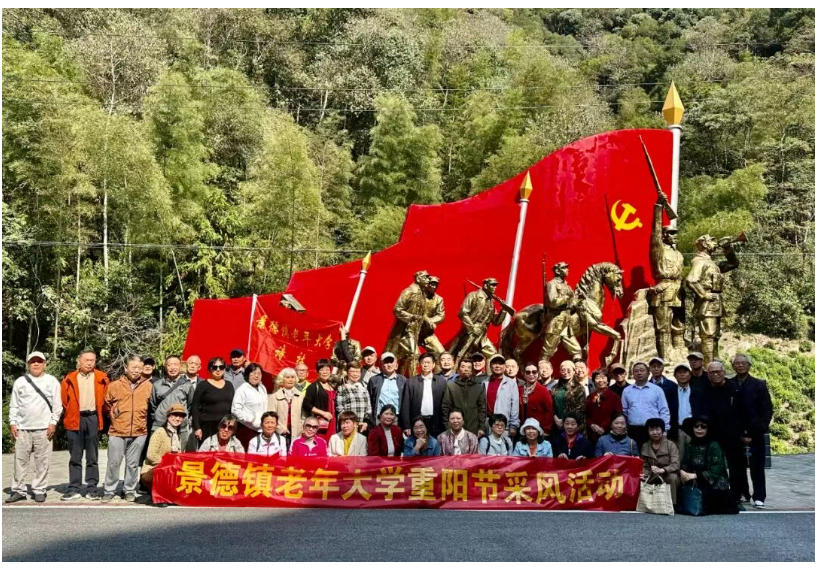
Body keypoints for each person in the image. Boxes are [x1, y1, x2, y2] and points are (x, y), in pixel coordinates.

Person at [6, 351, 63, 504]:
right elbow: (14, 405)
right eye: (33, 361)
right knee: (20, 461)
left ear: (45, 364)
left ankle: (39, 489)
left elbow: (58, 406)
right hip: (22, 429)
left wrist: (53, 423)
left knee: (42, 462)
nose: (36, 364)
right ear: (28, 364)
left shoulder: (52, 381)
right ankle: (18, 490)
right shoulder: (20, 382)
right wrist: (13, 423)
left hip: (44, 429)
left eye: (39, 361)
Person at [59, 348, 108, 501]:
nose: (89, 363)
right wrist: (72, 412)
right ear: (79, 361)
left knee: (92, 456)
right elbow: (63, 400)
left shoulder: (102, 377)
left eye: (92, 360)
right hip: (75, 418)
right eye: (86, 360)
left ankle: (92, 487)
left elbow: (107, 400)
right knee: (75, 456)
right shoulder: (70, 378)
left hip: (93, 417)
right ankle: (74, 487)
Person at [102, 355, 153, 502]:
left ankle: (129, 489)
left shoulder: (148, 386)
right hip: (118, 431)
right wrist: (114, 417)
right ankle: (109, 489)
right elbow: (106, 405)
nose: (136, 371)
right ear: (126, 368)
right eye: (133, 368)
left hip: (139, 431)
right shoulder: (114, 385)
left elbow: (151, 407)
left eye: (139, 368)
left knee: (132, 464)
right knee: (114, 462)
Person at [685, 234, 739, 364]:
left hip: (716, 302)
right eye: (711, 241)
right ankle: (708, 366)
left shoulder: (711, 263)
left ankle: (715, 363)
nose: (714, 244)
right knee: (708, 335)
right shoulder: (699, 261)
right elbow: (691, 280)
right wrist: (704, 294)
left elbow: (733, 263)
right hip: (707, 303)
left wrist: (727, 249)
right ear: (704, 244)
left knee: (715, 335)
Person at [731, 353, 773, 509]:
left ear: (749, 365)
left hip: (756, 432)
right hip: (736, 433)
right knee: (737, 466)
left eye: (743, 363)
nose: (740, 365)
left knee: (757, 466)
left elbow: (767, 410)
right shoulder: (730, 384)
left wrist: (758, 429)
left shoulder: (759, 384)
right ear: (733, 366)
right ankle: (741, 493)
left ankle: (759, 496)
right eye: (737, 363)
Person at [698, 360, 743, 503]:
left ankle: (736, 494)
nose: (715, 374)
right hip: (712, 435)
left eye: (718, 371)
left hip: (732, 434)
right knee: (713, 464)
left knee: (735, 465)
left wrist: (744, 432)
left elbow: (743, 412)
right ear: (708, 374)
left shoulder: (734, 388)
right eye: (712, 372)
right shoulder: (704, 389)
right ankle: (715, 492)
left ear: (724, 372)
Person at [648, 198, 685, 360]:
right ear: (663, 236)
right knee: (663, 327)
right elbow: (655, 231)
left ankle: (677, 354)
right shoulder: (659, 250)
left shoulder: (678, 254)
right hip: (663, 292)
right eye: (671, 233)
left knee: (678, 325)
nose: (674, 236)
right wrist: (658, 207)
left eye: (675, 233)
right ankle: (664, 358)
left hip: (678, 291)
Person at [679, 415, 738, 515]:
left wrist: (695, 475)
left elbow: (716, 469)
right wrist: (682, 472)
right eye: (696, 426)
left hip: (713, 480)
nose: (699, 429)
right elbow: (685, 463)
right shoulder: (690, 445)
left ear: (708, 429)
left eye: (703, 427)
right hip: (694, 479)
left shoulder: (714, 445)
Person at [450, 277, 507, 364]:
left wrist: (503, 310)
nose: (495, 287)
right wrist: (472, 328)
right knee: (462, 355)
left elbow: (496, 322)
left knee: (492, 355)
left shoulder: (491, 301)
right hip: (469, 332)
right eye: (492, 285)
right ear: (485, 285)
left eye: (496, 286)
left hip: (482, 334)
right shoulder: (473, 295)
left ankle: (489, 377)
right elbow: (463, 313)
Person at [384, 270, 430, 375]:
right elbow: (397, 309)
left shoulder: (422, 293)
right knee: (414, 354)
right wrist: (411, 317)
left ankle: (401, 380)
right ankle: (414, 383)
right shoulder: (409, 291)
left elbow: (421, 313)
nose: (428, 280)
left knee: (404, 357)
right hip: (404, 331)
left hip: (414, 331)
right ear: (418, 279)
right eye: (425, 277)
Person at [140, 403, 190, 490]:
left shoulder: (178, 435)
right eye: (174, 415)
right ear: (168, 416)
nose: (177, 418)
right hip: (153, 469)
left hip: (170, 470)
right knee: (165, 474)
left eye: (181, 416)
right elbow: (151, 455)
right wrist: (168, 465)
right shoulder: (159, 432)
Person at [621, 361, 670, 449]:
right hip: (633, 430)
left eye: (642, 370)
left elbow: (664, 410)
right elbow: (624, 411)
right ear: (633, 374)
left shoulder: (657, 390)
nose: (639, 373)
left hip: (653, 430)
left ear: (648, 373)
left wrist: (664, 430)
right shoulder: (627, 391)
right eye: (636, 371)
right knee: (635, 456)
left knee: (652, 457)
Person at [542, 262, 583, 361]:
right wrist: (567, 297)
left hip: (566, 323)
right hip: (556, 321)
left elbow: (570, 303)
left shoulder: (566, 286)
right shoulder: (552, 284)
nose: (567, 270)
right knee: (547, 352)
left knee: (577, 351)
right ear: (557, 270)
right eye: (564, 268)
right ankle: (542, 371)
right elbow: (553, 302)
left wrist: (578, 301)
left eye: (567, 268)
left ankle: (576, 372)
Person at [191, 357, 235, 447]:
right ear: (210, 369)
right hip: (207, 427)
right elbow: (194, 407)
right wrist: (197, 428)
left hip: (225, 427)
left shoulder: (229, 385)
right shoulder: (203, 385)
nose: (218, 370)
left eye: (221, 367)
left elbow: (232, 407)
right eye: (215, 367)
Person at [149, 355, 195, 442]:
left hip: (180, 427)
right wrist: (159, 416)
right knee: (156, 454)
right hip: (159, 426)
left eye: (175, 364)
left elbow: (190, 405)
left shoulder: (187, 385)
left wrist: (182, 416)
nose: (172, 368)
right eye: (169, 365)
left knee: (179, 454)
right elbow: (153, 405)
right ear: (165, 367)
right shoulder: (157, 385)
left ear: (180, 366)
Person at [400, 353, 446, 438]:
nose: (425, 365)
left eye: (428, 362)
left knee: (435, 448)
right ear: (419, 364)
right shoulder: (411, 382)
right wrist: (406, 426)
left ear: (433, 365)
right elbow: (405, 405)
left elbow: (446, 404)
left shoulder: (441, 381)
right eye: (423, 362)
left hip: (436, 422)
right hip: (418, 421)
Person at [640, 417, 681, 505]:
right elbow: (644, 465)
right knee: (639, 478)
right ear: (648, 431)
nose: (655, 432)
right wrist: (645, 474)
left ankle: (671, 505)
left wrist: (663, 470)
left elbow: (676, 464)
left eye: (657, 429)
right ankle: (646, 505)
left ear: (662, 430)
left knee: (672, 478)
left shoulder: (670, 445)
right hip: (652, 475)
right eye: (651, 430)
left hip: (667, 474)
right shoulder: (645, 446)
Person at [441, 359, 487, 437]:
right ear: (458, 369)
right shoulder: (451, 386)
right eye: (463, 367)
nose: (466, 369)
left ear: (472, 370)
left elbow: (482, 408)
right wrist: (447, 427)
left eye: (469, 367)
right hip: (455, 428)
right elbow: (445, 407)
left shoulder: (478, 387)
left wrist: (481, 427)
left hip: (473, 428)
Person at [232, 362, 269, 448]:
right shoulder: (242, 389)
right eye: (253, 373)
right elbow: (235, 410)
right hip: (246, 429)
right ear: (248, 374)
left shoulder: (262, 388)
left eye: (259, 373)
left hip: (261, 429)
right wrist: (251, 419)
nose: (256, 376)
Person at [671, 362, 705, 453]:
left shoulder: (698, 392)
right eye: (679, 372)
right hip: (676, 429)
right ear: (675, 376)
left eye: (685, 372)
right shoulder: (670, 392)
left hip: (694, 429)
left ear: (690, 375)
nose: (682, 375)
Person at [483, 354, 520, 437]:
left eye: (500, 363)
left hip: (503, 426)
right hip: (487, 425)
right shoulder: (484, 382)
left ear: (504, 366)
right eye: (494, 363)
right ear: (490, 365)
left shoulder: (511, 383)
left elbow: (514, 406)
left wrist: (513, 425)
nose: (497, 366)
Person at [302, 358, 338, 441]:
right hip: (322, 423)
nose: (325, 372)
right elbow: (306, 405)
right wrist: (323, 413)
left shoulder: (333, 385)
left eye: (327, 369)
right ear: (318, 372)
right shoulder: (313, 387)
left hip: (334, 422)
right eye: (322, 370)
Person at [368, 352, 407, 426]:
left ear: (396, 365)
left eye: (391, 362)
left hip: (396, 417)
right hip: (379, 417)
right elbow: (369, 400)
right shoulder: (374, 380)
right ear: (381, 365)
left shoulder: (403, 380)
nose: (389, 365)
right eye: (386, 362)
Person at [268, 367, 304, 447]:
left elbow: (304, 416)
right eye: (287, 377)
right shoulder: (274, 397)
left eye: (292, 377)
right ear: (282, 379)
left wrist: (301, 428)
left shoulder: (300, 396)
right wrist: (279, 429)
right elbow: (270, 417)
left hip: (297, 433)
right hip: (280, 433)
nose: (290, 380)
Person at [585, 368, 623, 443]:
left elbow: (617, 415)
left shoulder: (614, 397)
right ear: (593, 380)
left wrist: (603, 427)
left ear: (608, 380)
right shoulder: (590, 397)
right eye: (597, 378)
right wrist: (592, 425)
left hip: (610, 433)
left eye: (603, 378)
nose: (600, 380)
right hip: (592, 433)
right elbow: (586, 415)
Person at [519, 362, 554, 438]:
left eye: (534, 372)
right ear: (524, 374)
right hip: (522, 429)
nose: (531, 374)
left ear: (538, 374)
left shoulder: (543, 390)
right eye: (528, 372)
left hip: (538, 430)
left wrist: (546, 429)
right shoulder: (519, 390)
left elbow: (549, 411)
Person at [551, 360, 586, 434]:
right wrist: (555, 418)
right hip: (557, 424)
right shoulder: (555, 388)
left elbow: (580, 410)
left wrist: (565, 421)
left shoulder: (579, 388)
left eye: (569, 370)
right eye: (563, 370)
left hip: (572, 426)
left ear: (574, 371)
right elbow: (551, 405)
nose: (565, 372)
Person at [336, 362, 372, 432]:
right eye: (352, 371)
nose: (355, 374)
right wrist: (351, 423)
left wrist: (365, 422)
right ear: (347, 372)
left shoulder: (364, 389)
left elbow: (369, 409)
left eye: (358, 372)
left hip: (362, 428)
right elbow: (340, 410)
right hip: (347, 427)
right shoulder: (342, 389)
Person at [419, 275, 446, 356]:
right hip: (413, 332)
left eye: (435, 285)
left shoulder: (439, 299)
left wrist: (431, 321)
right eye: (431, 284)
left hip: (428, 333)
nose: (433, 286)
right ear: (427, 284)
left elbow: (441, 315)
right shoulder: (418, 296)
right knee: (411, 356)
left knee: (441, 353)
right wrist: (426, 320)